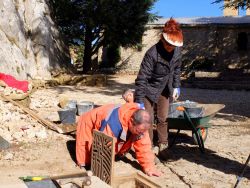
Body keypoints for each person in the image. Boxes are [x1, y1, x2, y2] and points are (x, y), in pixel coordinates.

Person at [134, 18, 183, 160]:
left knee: (163, 119)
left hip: (165, 88)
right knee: (147, 120)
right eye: (168, 45)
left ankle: (163, 145)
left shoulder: (177, 52)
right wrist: (139, 100)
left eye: (173, 46)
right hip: (149, 89)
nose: (170, 48)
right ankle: (147, 148)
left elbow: (177, 70)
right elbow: (142, 78)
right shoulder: (152, 54)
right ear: (163, 39)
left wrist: (176, 86)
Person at [76, 102, 161, 177]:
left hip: (113, 121)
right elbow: (103, 146)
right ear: (131, 121)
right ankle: (84, 164)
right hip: (88, 121)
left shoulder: (141, 126)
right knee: (85, 148)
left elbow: (144, 146)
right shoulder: (113, 123)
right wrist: (101, 168)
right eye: (138, 131)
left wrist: (149, 167)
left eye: (142, 132)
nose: (140, 134)